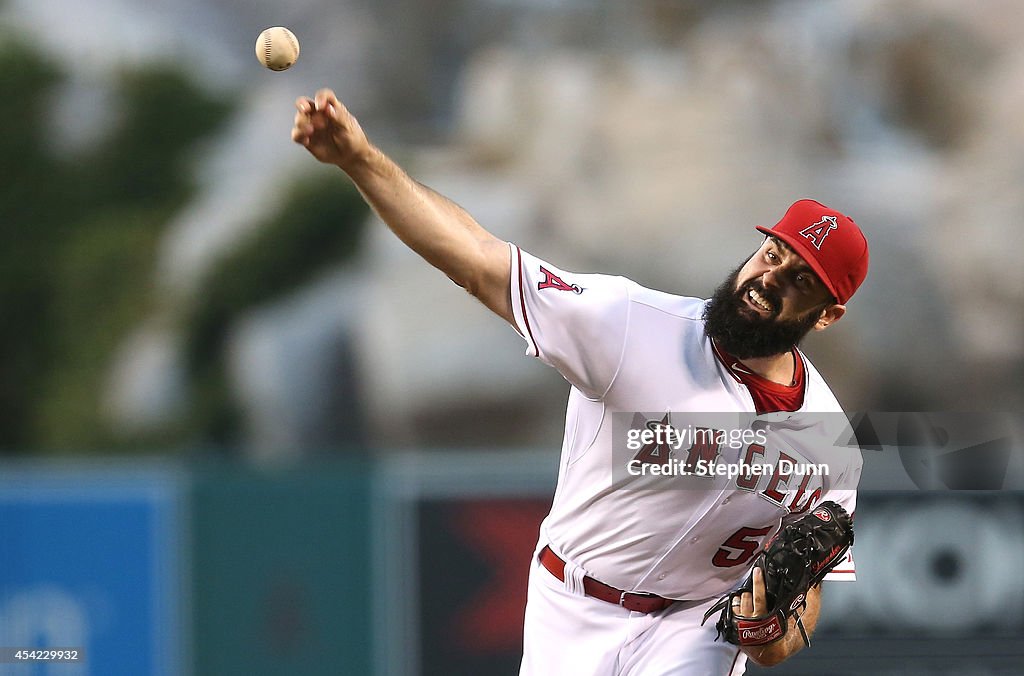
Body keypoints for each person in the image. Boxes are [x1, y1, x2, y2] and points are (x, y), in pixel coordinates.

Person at [291, 89, 868, 674]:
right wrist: (360, 160)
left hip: (695, 628)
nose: (770, 279)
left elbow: (803, 599)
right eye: (773, 254)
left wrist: (770, 632)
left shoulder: (826, 440)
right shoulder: (630, 325)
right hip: (571, 602)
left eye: (800, 280)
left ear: (826, 314)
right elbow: (476, 259)